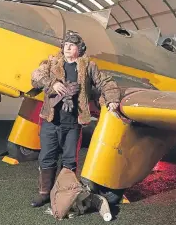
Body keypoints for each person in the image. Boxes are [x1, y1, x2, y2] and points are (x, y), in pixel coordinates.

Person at [30, 30, 121, 207]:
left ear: (79, 49)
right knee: (46, 157)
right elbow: (35, 76)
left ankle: (65, 196)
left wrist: (112, 100)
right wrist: (52, 83)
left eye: (72, 45)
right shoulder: (51, 63)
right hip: (51, 120)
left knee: (70, 160)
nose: (67, 48)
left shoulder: (88, 66)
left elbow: (106, 82)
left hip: (73, 123)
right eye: (65, 45)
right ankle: (44, 193)